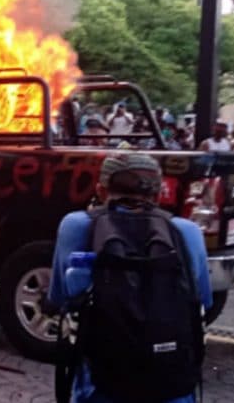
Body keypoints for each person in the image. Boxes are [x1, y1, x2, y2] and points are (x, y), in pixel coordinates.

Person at [49, 154, 211, 403]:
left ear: (101, 191)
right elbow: (202, 302)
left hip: (102, 384)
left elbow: (59, 298)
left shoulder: (76, 225)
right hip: (171, 382)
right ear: (158, 195)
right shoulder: (186, 231)